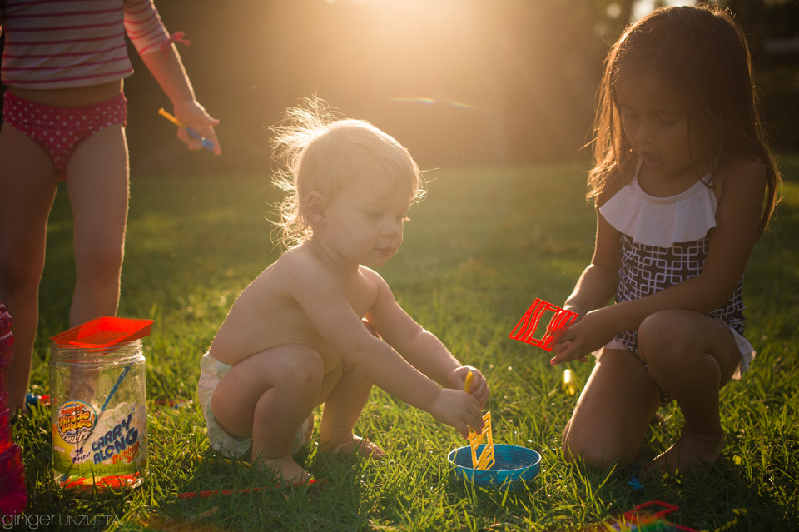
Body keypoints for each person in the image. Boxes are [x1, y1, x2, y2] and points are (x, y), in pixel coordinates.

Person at [197, 100, 490, 482]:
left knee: (367, 334)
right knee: (315, 356)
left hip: (289, 398)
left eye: (400, 216)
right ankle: (268, 457)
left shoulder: (369, 284)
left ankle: (335, 437)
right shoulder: (304, 270)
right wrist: (433, 399)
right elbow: (359, 351)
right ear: (317, 211)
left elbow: (412, 336)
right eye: (374, 214)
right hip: (235, 400)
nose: (392, 229)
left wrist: (452, 371)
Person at [551, 6, 781, 475]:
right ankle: (642, 399)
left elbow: (714, 288)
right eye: (631, 115)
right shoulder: (622, 174)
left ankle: (702, 434)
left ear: (718, 106)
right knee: (591, 453)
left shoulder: (737, 175)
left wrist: (610, 317)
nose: (643, 135)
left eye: (667, 120)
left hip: (696, 339)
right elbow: (604, 268)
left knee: (664, 331)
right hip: (631, 342)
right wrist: (575, 307)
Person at [0, 0, 221, 414]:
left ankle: (78, 410)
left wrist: (185, 101)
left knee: (103, 256)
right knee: (13, 266)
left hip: (99, 120)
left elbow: (148, 30)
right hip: (24, 118)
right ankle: (7, 407)